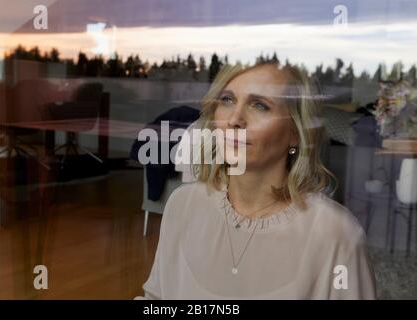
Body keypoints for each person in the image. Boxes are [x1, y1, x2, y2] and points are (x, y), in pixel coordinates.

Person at [135, 63, 376, 299]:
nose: (235, 119)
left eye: (259, 105)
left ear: (295, 132)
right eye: (227, 100)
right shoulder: (183, 205)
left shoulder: (335, 233)